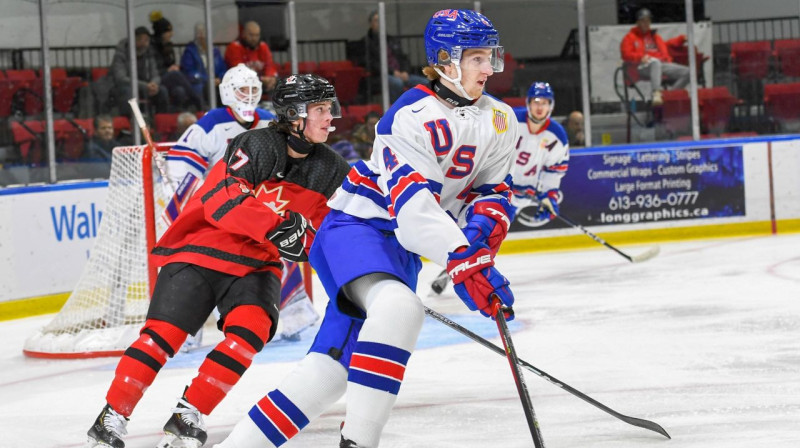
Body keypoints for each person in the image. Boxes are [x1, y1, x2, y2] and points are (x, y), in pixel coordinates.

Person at [215, 9, 517, 448]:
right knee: (400, 310)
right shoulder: (409, 116)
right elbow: (415, 213)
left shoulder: (500, 119)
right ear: (447, 61)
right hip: (355, 228)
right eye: (476, 58)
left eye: (491, 56)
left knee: (331, 370)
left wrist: (479, 249)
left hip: (400, 250)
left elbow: (493, 194)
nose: (488, 68)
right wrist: (463, 260)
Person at [85, 73, 351, 448]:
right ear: (293, 114)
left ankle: (187, 413)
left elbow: (332, 231)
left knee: (251, 333)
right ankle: (111, 417)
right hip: (202, 248)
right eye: (320, 109)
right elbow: (222, 199)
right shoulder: (256, 143)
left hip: (256, 264)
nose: (330, 117)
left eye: (330, 108)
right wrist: (277, 228)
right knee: (163, 337)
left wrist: (359, 270)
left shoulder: (331, 168)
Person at [165, 64, 319, 342]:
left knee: (281, 245)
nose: (248, 96)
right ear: (228, 92)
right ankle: (184, 330)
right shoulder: (210, 124)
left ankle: (295, 315)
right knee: (198, 262)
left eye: (253, 90)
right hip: (217, 206)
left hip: (255, 204)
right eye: (242, 90)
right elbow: (180, 167)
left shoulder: (267, 121)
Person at [510, 81, 570, 228]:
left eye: (545, 102)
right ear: (528, 103)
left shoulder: (557, 136)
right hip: (495, 191)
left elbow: (554, 171)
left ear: (551, 106)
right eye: (536, 101)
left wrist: (549, 196)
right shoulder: (511, 120)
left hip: (523, 196)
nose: (540, 107)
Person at [620, 8, 690, 106]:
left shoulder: (654, 36)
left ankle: (668, 96)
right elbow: (625, 54)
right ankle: (656, 94)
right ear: (638, 22)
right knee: (655, 62)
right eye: (643, 21)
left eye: (648, 21)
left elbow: (666, 44)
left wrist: (680, 39)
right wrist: (640, 57)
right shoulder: (630, 37)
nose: (646, 23)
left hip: (661, 64)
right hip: (641, 66)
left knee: (688, 72)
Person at [355, 10, 429, 102]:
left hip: (401, 74)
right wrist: (393, 72)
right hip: (380, 76)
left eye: (381, 20)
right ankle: (397, 108)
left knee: (426, 83)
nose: (379, 23)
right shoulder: (366, 42)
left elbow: (403, 58)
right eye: (376, 20)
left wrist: (405, 71)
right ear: (371, 24)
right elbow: (372, 63)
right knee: (397, 83)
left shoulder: (391, 39)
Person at [150, 11, 204, 112]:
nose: (171, 34)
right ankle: (197, 100)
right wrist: (168, 70)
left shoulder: (168, 47)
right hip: (158, 79)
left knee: (180, 91)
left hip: (169, 79)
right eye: (168, 31)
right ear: (161, 32)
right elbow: (153, 69)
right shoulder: (152, 48)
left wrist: (174, 67)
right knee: (175, 74)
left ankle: (179, 113)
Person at [110, 26, 169, 115]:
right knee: (128, 93)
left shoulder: (149, 53)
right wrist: (145, 86)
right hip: (125, 87)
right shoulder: (121, 53)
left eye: (146, 40)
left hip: (145, 87)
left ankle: (160, 119)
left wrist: (154, 84)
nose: (144, 43)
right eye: (141, 40)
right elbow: (121, 78)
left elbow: (155, 74)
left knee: (162, 91)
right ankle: (130, 121)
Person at [181, 22, 227, 105]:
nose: (201, 36)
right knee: (202, 89)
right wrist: (208, 80)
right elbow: (190, 73)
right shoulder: (190, 51)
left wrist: (219, 78)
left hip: (216, 83)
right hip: (199, 83)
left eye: (203, 33)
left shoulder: (215, 51)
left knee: (225, 89)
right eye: (199, 33)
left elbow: (223, 69)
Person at [225, 21, 279, 92]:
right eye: (251, 35)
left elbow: (270, 66)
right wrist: (261, 79)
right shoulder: (234, 47)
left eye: (257, 35)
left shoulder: (263, 47)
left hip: (260, 85)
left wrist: (271, 78)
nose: (254, 38)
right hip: (239, 87)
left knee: (276, 83)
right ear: (243, 34)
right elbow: (239, 71)